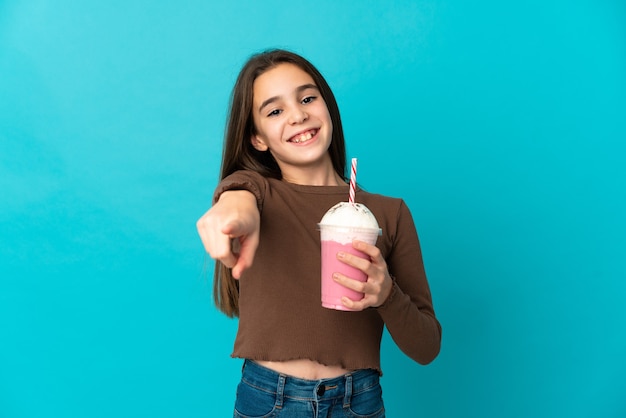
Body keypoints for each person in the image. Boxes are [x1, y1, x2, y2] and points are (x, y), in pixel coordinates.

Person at [196, 49, 441, 417]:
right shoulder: (256, 194)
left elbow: (426, 347)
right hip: (269, 400)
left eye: (308, 98)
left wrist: (385, 293)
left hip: (357, 401)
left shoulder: (389, 213)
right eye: (275, 111)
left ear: (327, 107)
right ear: (257, 139)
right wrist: (234, 209)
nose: (298, 115)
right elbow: (238, 196)